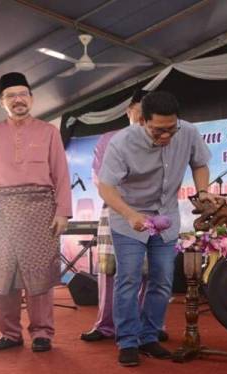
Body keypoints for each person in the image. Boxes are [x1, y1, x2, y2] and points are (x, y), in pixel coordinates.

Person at [98, 91, 221, 366]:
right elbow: (105, 187)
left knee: (163, 279)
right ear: (142, 121)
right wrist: (130, 215)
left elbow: (199, 163)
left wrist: (203, 192)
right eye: (158, 131)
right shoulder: (121, 143)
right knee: (128, 279)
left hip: (166, 217)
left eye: (171, 129)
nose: (166, 136)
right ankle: (128, 341)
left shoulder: (188, 132)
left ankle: (149, 336)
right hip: (129, 219)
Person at [0, 72, 72, 353]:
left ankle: (42, 333)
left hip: (40, 210)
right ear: (1, 102)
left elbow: (61, 174)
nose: (18, 100)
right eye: (11, 96)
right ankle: (10, 334)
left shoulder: (48, 132)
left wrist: (63, 212)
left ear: (31, 98)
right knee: (4, 273)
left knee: (40, 272)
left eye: (23, 94)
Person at [80, 89, 169, 343]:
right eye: (139, 112)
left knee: (148, 270)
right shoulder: (109, 139)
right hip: (116, 208)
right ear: (128, 111)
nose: (142, 119)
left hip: (152, 211)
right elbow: (100, 176)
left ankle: (145, 325)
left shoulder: (162, 141)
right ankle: (106, 325)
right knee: (111, 271)